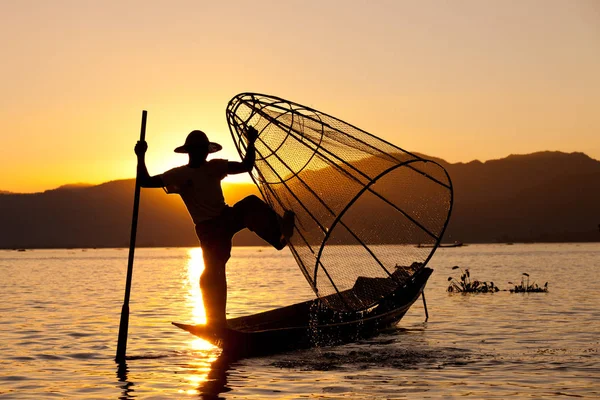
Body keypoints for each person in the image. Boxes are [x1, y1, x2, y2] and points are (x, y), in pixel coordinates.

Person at [134, 128, 294, 328]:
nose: (202, 154)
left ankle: (278, 237)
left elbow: (246, 165)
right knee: (213, 272)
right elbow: (145, 182)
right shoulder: (179, 174)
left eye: (204, 150)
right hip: (208, 230)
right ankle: (216, 321)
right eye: (198, 150)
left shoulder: (215, 166)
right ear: (191, 152)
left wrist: (250, 143)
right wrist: (141, 156)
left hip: (226, 217)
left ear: (207, 152)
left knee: (251, 204)